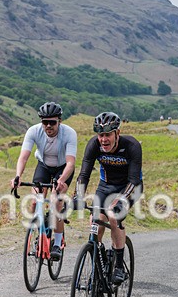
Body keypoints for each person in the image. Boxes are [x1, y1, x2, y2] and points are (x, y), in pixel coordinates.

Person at [73, 112, 143, 285]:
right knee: (95, 221)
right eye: (100, 135)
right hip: (106, 186)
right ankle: (100, 258)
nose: (103, 139)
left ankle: (119, 267)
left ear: (117, 133)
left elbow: (134, 180)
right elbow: (84, 174)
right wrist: (78, 195)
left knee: (113, 216)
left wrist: (121, 200)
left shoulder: (131, 146)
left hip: (129, 187)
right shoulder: (93, 145)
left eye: (108, 135)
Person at [10, 102, 77, 261]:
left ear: (59, 121)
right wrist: (17, 176)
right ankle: (36, 234)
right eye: (45, 122)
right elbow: (24, 157)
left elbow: (71, 163)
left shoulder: (69, 133)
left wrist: (60, 180)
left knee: (56, 202)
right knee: (34, 201)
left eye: (52, 122)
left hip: (63, 168)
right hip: (44, 166)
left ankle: (58, 243)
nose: (48, 126)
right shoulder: (33, 131)